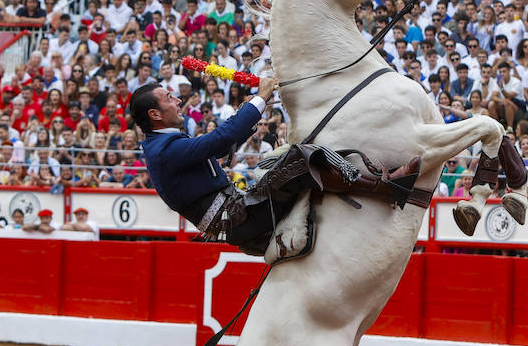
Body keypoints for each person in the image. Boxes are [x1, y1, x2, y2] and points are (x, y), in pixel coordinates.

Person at [130, 76, 424, 257]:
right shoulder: (165, 149)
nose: (178, 100)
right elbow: (221, 140)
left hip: (231, 213)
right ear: (155, 114)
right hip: (234, 217)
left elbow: (221, 145)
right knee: (299, 157)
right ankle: (385, 188)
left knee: (279, 159)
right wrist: (260, 98)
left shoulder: (162, 146)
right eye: (170, 99)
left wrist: (250, 111)